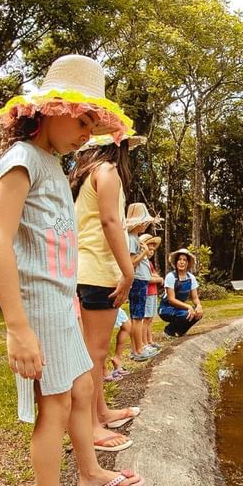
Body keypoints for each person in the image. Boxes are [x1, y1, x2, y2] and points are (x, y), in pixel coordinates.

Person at [0, 54, 142, 486]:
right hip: (37, 304)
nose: (85, 132)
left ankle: (91, 474)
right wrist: (18, 328)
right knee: (53, 403)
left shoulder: (54, 164)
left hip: (62, 300)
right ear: (50, 110)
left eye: (92, 123)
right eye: (80, 119)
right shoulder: (21, 161)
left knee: (79, 390)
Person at [70, 132, 146, 449]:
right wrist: (127, 272)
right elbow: (110, 222)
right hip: (100, 272)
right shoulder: (108, 171)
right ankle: (89, 426)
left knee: (94, 351)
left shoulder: (86, 173)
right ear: (119, 145)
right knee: (95, 353)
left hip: (84, 270)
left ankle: (101, 413)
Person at [125, 203, 161, 361]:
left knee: (136, 317)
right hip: (138, 281)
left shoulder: (132, 238)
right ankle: (139, 349)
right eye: (145, 222)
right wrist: (144, 252)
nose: (146, 225)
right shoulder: (133, 239)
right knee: (138, 317)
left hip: (140, 281)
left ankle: (136, 349)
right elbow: (131, 262)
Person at [158, 247, 204, 337]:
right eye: (179, 259)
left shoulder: (191, 277)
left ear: (188, 263)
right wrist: (188, 307)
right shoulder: (171, 277)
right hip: (166, 308)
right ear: (176, 262)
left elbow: (194, 297)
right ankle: (168, 331)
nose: (182, 262)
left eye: (184, 260)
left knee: (198, 314)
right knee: (185, 314)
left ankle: (180, 332)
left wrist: (199, 306)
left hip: (179, 308)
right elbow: (171, 299)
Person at [139, 233, 163, 349]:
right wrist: (159, 279)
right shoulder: (142, 262)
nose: (152, 249)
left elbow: (153, 275)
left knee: (150, 318)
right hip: (147, 293)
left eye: (154, 246)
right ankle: (144, 342)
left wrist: (156, 278)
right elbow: (148, 278)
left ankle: (150, 340)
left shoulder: (149, 263)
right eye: (150, 246)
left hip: (153, 293)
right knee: (146, 318)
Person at [108, 308, 131, 381]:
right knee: (103, 332)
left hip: (110, 302)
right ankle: (103, 371)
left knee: (127, 326)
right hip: (100, 301)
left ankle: (117, 358)